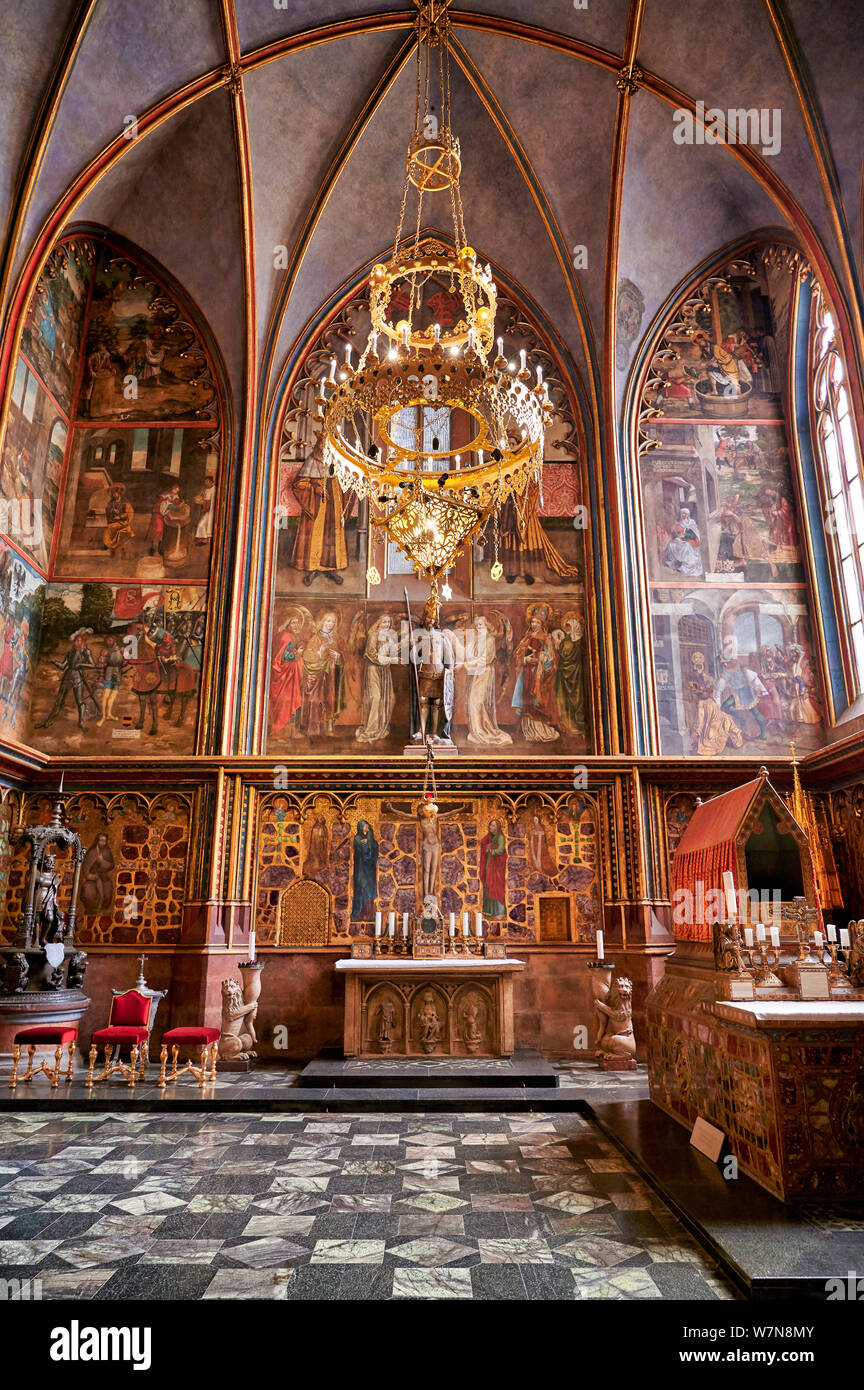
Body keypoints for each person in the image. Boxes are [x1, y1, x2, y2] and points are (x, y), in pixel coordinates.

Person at [289, 432, 348, 586]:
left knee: (332, 532)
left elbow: (346, 481)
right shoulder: (311, 460)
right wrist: (315, 488)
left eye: (327, 445)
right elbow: (298, 484)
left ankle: (331, 568)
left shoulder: (337, 460)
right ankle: (313, 568)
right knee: (314, 533)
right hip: (315, 503)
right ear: (318, 445)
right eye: (322, 444)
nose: (323, 448)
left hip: (334, 501)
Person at [409, 600, 454, 745]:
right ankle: (422, 731)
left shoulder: (441, 637)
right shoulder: (419, 636)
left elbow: (449, 658)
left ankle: (435, 733)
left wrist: (449, 674)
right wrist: (413, 647)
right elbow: (414, 658)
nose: (431, 620)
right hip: (425, 673)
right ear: (424, 618)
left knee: (437, 704)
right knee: (424, 703)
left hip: (439, 674)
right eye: (429, 617)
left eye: (433, 618)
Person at [511, 608, 558, 742]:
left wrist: (542, 659)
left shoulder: (546, 638)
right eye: (532, 622)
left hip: (538, 674)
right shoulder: (528, 636)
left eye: (537, 622)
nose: (534, 624)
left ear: (542, 624)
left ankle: (540, 731)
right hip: (526, 672)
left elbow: (552, 660)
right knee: (526, 700)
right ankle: (529, 731)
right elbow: (517, 654)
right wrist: (525, 659)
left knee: (536, 700)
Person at [464, 614, 512, 746]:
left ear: (486, 626)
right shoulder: (477, 639)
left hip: (484, 671)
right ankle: (476, 730)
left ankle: (481, 731)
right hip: (477, 672)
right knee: (473, 701)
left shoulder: (489, 639)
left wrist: (468, 664)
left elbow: (485, 659)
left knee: (477, 701)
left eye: (481, 625)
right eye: (477, 625)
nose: (478, 627)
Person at [36, 631, 99, 729]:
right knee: (59, 701)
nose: (77, 643)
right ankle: (48, 722)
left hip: (78, 677)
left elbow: (92, 665)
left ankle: (81, 723)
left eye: (79, 641)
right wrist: (54, 662)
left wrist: (80, 664)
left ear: (83, 642)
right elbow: (63, 666)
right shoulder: (70, 653)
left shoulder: (86, 652)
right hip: (67, 677)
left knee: (80, 701)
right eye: (76, 641)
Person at [297, 611, 345, 739]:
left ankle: (329, 728)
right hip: (318, 676)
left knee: (331, 700)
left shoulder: (337, 638)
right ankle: (314, 730)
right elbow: (307, 656)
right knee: (316, 700)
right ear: (323, 622)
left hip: (332, 675)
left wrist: (338, 656)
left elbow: (345, 655)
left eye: (333, 622)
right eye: (328, 621)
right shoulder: (316, 638)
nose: (331, 624)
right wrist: (320, 651)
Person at [355, 614, 394, 744]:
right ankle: (370, 729)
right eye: (384, 622)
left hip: (384, 670)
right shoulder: (373, 635)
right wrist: (390, 659)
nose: (387, 624)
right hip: (373, 669)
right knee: (376, 698)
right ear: (378, 623)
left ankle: (380, 727)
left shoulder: (388, 637)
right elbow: (371, 653)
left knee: (389, 699)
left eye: (388, 622)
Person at [552, 615, 587, 737]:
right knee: (565, 699)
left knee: (578, 699)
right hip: (564, 674)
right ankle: (568, 724)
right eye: (566, 626)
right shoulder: (567, 639)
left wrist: (559, 647)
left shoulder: (580, 641)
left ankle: (579, 726)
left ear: (575, 626)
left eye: (568, 626)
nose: (567, 629)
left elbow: (566, 654)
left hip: (576, 674)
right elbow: (562, 654)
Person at [270, 614, 304, 737]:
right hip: (285, 678)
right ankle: (281, 733)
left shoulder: (295, 636)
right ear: (287, 624)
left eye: (297, 622)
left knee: (294, 702)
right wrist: (296, 654)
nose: (296, 625)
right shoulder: (285, 637)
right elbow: (281, 657)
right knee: (286, 704)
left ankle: (293, 732)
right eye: (293, 622)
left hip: (293, 676)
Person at [350, 819, 378, 921]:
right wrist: (364, 844)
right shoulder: (357, 838)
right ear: (361, 827)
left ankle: (369, 913)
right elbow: (358, 851)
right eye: (365, 825)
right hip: (361, 868)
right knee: (361, 888)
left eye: (367, 825)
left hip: (370, 869)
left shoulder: (371, 838)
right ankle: (359, 913)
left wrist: (369, 842)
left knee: (369, 889)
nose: (367, 827)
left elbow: (375, 849)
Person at [81, 832, 115, 914]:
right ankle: (92, 910)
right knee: (88, 893)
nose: (103, 843)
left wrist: (102, 861)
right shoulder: (92, 852)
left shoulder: (107, 851)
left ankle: (103, 909)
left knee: (108, 890)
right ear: (97, 841)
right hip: (92, 877)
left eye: (104, 841)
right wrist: (91, 876)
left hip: (104, 877)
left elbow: (111, 865)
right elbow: (86, 867)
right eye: (101, 840)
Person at [480, 817, 507, 917]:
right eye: (490, 825)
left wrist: (491, 850)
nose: (490, 827)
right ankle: (489, 911)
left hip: (497, 868)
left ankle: (500, 911)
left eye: (493, 825)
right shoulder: (489, 837)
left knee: (497, 887)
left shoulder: (500, 837)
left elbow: (501, 850)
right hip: (489, 866)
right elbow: (484, 843)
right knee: (488, 885)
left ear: (497, 827)